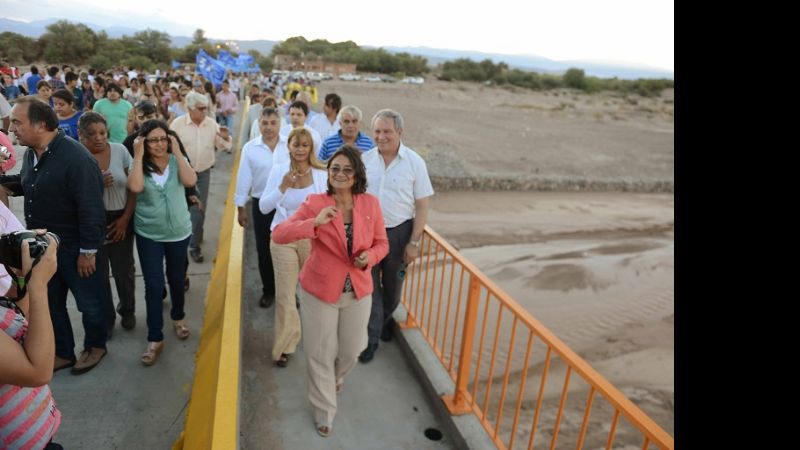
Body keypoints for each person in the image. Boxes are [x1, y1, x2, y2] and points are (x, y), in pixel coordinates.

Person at [272, 145, 389, 437]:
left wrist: (370, 258)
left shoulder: (370, 204)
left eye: (346, 169)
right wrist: (315, 222)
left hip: (357, 291)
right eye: (334, 168)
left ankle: (335, 378)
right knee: (320, 352)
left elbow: (382, 243)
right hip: (320, 290)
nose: (339, 173)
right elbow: (280, 233)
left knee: (352, 349)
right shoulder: (315, 202)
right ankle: (324, 408)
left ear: (356, 175)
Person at [5, 97, 108, 374]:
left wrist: (88, 252)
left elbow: (92, 210)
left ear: (40, 124)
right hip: (44, 249)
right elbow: (32, 184)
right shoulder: (32, 153)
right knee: (50, 304)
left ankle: (96, 346)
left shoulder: (77, 159)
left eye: (17, 122)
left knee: (89, 304)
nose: (11, 129)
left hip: (76, 248)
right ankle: (63, 352)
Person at [359, 109, 434, 363]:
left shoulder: (415, 163)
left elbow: (422, 205)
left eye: (387, 131)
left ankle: (385, 319)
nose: (381, 137)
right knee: (370, 289)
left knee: (392, 289)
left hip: (399, 234)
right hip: (368, 235)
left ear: (399, 132)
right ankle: (371, 339)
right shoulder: (365, 160)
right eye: (377, 131)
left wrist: (414, 242)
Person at [128, 119, 197, 366]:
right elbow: (135, 187)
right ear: (143, 142)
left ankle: (178, 317)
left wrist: (177, 151)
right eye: (153, 140)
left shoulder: (177, 162)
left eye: (163, 139)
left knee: (177, 280)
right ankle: (155, 337)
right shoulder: (138, 164)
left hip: (179, 232)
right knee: (154, 286)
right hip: (149, 235)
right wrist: (137, 155)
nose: (159, 144)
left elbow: (190, 181)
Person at [259, 128, 327, 367]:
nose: (300, 149)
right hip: (283, 239)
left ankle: (320, 344)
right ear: (288, 146)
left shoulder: (321, 173)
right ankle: (285, 346)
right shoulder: (278, 171)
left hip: (313, 240)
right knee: (286, 295)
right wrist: (283, 187)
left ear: (311, 148)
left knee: (313, 295)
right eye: (296, 144)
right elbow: (264, 208)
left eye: (305, 145)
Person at [0, 224, 62, 450]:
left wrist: (23, 278)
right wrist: (38, 286)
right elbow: (39, 371)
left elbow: (21, 325)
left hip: (40, 438)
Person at [79, 112, 137, 333]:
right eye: (91, 134)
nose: (98, 138)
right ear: (81, 135)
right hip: (94, 223)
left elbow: (133, 187)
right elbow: (73, 196)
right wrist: (96, 183)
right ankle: (107, 317)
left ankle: (128, 310)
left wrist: (124, 220)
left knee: (124, 271)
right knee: (100, 274)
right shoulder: (79, 157)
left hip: (121, 217)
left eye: (102, 133)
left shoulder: (121, 151)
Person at [235, 107, 289, 308]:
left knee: (288, 250)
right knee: (264, 250)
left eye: (273, 123)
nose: (269, 127)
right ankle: (269, 290)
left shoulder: (289, 146)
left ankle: (289, 291)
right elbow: (243, 179)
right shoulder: (250, 148)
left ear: (279, 124)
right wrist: (240, 207)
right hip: (261, 206)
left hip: (286, 205)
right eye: (265, 123)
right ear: (259, 124)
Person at [170, 92, 232, 263]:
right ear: (190, 108)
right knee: (181, 208)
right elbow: (168, 148)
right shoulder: (177, 124)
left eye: (206, 108)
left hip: (203, 173)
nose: (204, 111)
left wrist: (226, 138)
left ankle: (194, 245)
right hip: (180, 173)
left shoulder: (212, 124)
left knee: (198, 208)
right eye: (200, 108)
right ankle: (186, 237)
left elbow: (224, 145)